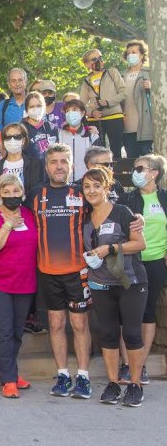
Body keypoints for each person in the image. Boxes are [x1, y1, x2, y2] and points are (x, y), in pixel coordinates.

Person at [28, 144, 94, 399]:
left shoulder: (82, 192)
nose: (58, 166)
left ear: (71, 165)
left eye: (63, 161)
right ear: (46, 167)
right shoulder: (35, 194)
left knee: (79, 323)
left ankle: (84, 377)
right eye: (53, 161)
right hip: (47, 271)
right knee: (56, 323)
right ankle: (63, 375)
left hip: (78, 271)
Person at [81, 167, 147, 407]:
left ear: (107, 187)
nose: (91, 191)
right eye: (87, 187)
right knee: (107, 334)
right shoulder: (85, 216)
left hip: (130, 281)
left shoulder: (121, 212)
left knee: (130, 333)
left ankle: (136, 384)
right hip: (100, 283)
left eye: (97, 186)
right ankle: (112, 383)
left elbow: (140, 244)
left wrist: (111, 249)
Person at [0, 174, 38, 398]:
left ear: (22, 193)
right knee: (4, 332)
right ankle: (7, 379)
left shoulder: (29, 215)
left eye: (16, 192)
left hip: (25, 282)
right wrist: (7, 225)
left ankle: (12, 373)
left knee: (17, 332)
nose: (12, 196)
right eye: (6, 192)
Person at [118, 154, 167, 386]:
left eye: (140, 168)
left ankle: (141, 364)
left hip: (156, 263)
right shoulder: (128, 198)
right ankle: (127, 364)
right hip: (131, 262)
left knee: (148, 314)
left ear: (154, 173)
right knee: (127, 315)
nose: (135, 172)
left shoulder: (165, 198)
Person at [79, 49, 127, 158]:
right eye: (94, 59)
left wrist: (108, 102)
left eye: (100, 58)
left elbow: (124, 92)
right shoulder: (86, 80)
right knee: (97, 150)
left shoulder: (112, 72)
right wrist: (92, 113)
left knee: (116, 149)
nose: (98, 61)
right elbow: (81, 104)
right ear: (87, 64)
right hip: (96, 119)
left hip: (114, 116)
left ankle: (116, 173)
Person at [122, 40, 153, 157]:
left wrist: (151, 87)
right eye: (128, 53)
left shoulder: (150, 72)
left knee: (148, 161)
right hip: (127, 128)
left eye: (134, 52)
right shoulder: (121, 76)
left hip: (145, 127)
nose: (131, 55)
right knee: (131, 161)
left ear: (142, 55)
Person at [58, 99, 99, 181]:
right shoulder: (59, 134)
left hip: (86, 182)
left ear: (83, 113)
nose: (70, 113)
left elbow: (98, 161)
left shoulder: (92, 135)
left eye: (74, 110)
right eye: (67, 111)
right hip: (64, 182)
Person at [19, 91, 59, 160]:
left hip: (50, 168)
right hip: (30, 169)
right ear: (26, 109)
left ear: (44, 107)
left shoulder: (52, 127)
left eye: (38, 106)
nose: (35, 109)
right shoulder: (20, 129)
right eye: (31, 107)